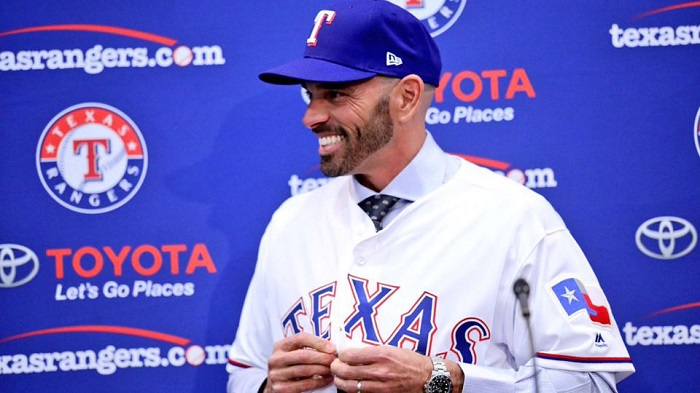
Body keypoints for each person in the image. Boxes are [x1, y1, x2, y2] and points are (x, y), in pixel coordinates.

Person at [226, 1, 635, 392]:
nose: (311, 116)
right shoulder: (291, 220)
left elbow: (591, 383)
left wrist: (446, 381)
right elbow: (244, 373)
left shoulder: (514, 217)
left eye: (335, 94)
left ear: (406, 97)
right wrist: (270, 386)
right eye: (310, 94)